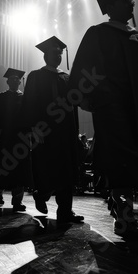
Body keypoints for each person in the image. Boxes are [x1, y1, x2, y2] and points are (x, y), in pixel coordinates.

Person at [68, 0, 138, 238]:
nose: (130, 4)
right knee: (122, 163)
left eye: (130, 1)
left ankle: (118, 207)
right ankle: (126, 221)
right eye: (123, 0)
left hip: (134, 112)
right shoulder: (98, 33)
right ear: (109, 7)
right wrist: (84, 99)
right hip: (110, 109)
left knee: (127, 164)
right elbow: (83, 69)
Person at [20, 36, 84, 224]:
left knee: (66, 170)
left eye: (60, 53)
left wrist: (76, 131)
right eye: (54, 52)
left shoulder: (67, 78)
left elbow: (74, 107)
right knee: (47, 168)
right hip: (44, 132)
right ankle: (41, 194)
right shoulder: (35, 76)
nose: (57, 56)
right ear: (45, 55)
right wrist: (33, 129)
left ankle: (65, 211)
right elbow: (29, 104)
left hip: (65, 133)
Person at [0, 69, 31, 212]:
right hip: (4, 137)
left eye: (17, 79)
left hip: (21, 139)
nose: (15, 81)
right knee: (2, 167)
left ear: (19, 81)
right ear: (7, 81)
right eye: (12, 79)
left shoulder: (25, 99)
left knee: (20, 170)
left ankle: (17, 201)